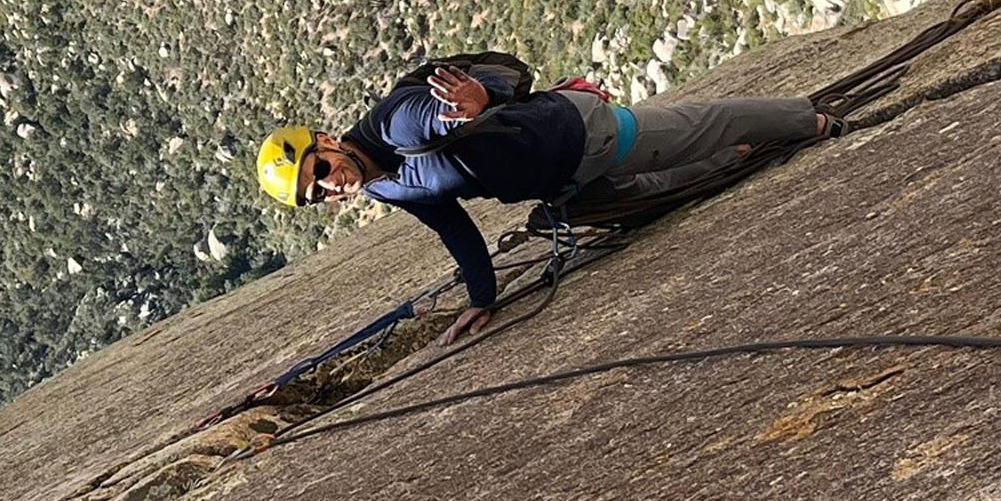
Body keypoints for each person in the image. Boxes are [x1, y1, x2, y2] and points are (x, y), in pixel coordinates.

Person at [259, 67, 837, 344]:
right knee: (643, 193)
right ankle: (740, 155)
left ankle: (805, 120)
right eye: (318, 195)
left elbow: (435, 112)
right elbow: (453, 227)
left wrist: (472, 104)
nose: (332, 188)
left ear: (329, 141)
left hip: (579, 135)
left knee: (696, 129)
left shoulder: (394, 124)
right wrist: (483, 300)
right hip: (562, 178)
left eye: (322, 171)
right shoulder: (385, 186)